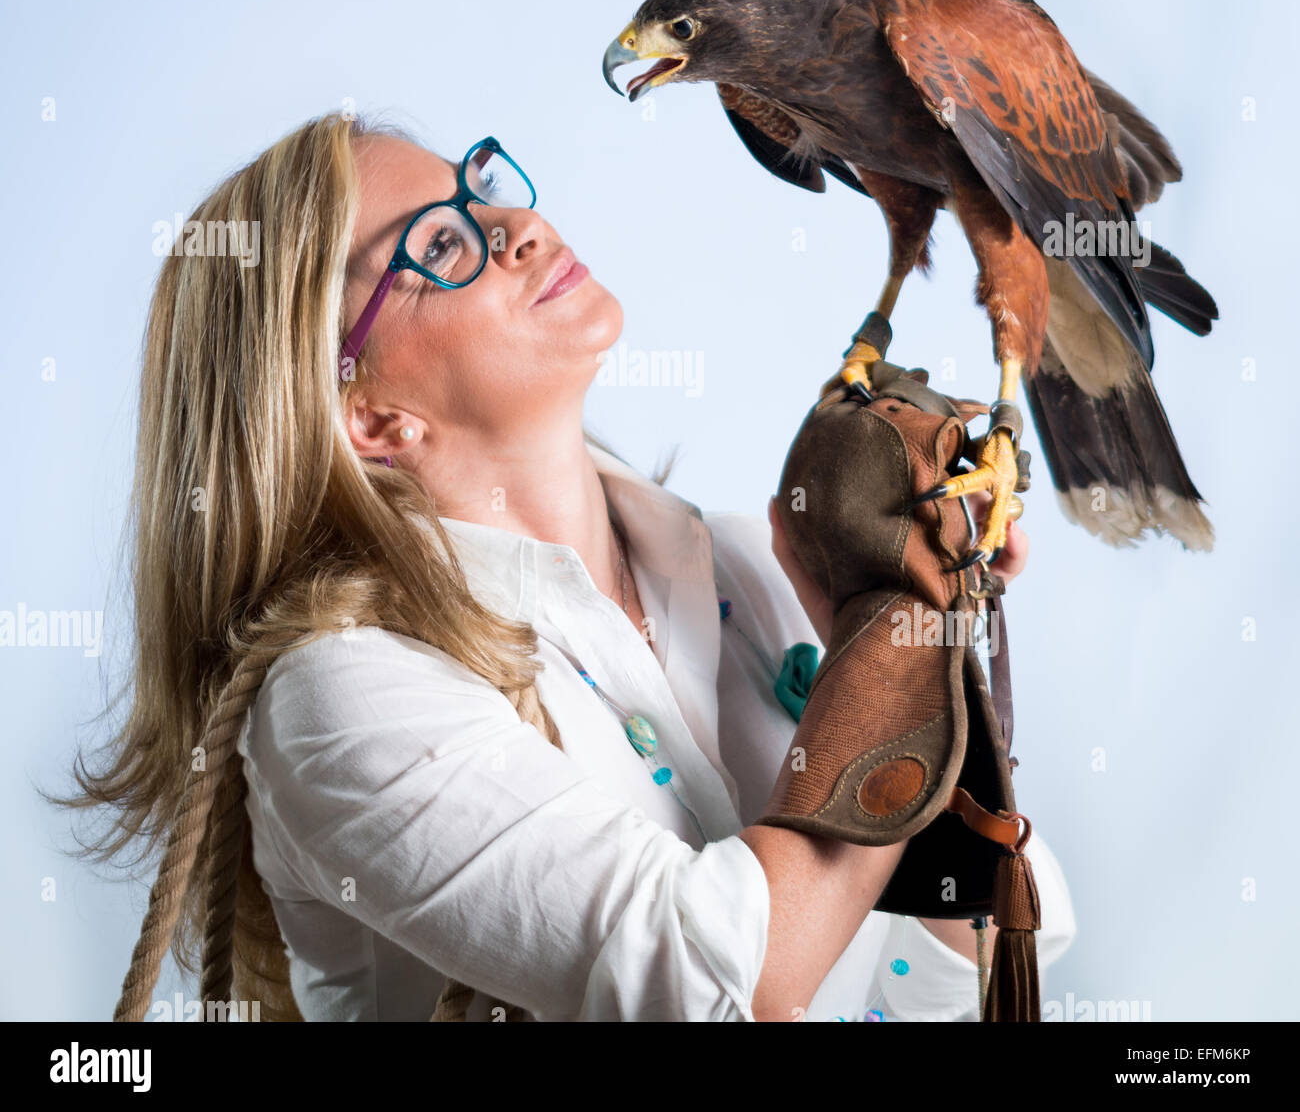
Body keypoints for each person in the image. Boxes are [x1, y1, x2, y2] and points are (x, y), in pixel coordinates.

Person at [64, 112, 1075, 1022]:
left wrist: (896, 623)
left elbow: (959, 968)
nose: (519, 229)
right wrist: (894, 641)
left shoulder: (733, 558)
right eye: (443, 244)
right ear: (371, 417)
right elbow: (716, 986)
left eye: (483, 190)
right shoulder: (339, 694)